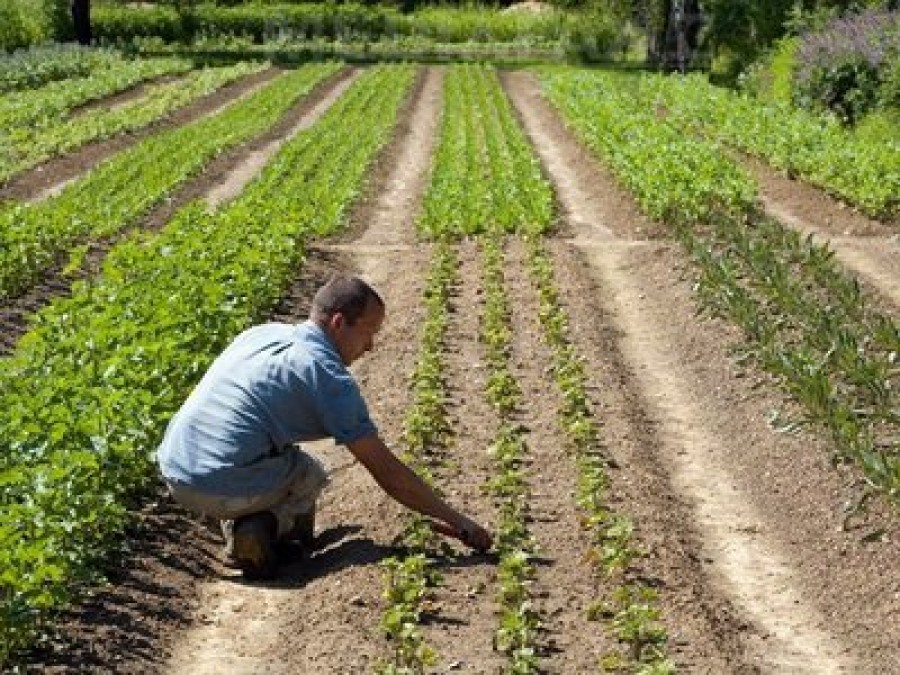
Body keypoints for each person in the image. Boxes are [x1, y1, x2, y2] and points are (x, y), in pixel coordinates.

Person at [156, 273, 492, 579]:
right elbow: (388, 474)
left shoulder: (261, 334)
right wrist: (459, 523)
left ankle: (243, 519)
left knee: (270, 448)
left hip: (174, 467)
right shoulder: (328, 378)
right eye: (368, 333)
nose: (370, 347)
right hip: (217, 485)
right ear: (338, 322)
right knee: (310, 473)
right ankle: (275, 536)